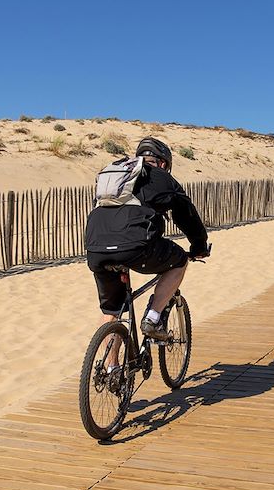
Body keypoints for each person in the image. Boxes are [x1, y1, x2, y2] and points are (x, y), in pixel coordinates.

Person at [86, 137, 210, 342]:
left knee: (112, 311)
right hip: (135, 246)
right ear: (162, 163)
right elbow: (186, 214)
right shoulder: (161, 177)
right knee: (179, 260)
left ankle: (111, 369)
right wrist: (198, 244)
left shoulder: (118, 176)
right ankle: (152, 318)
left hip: (96, 248)